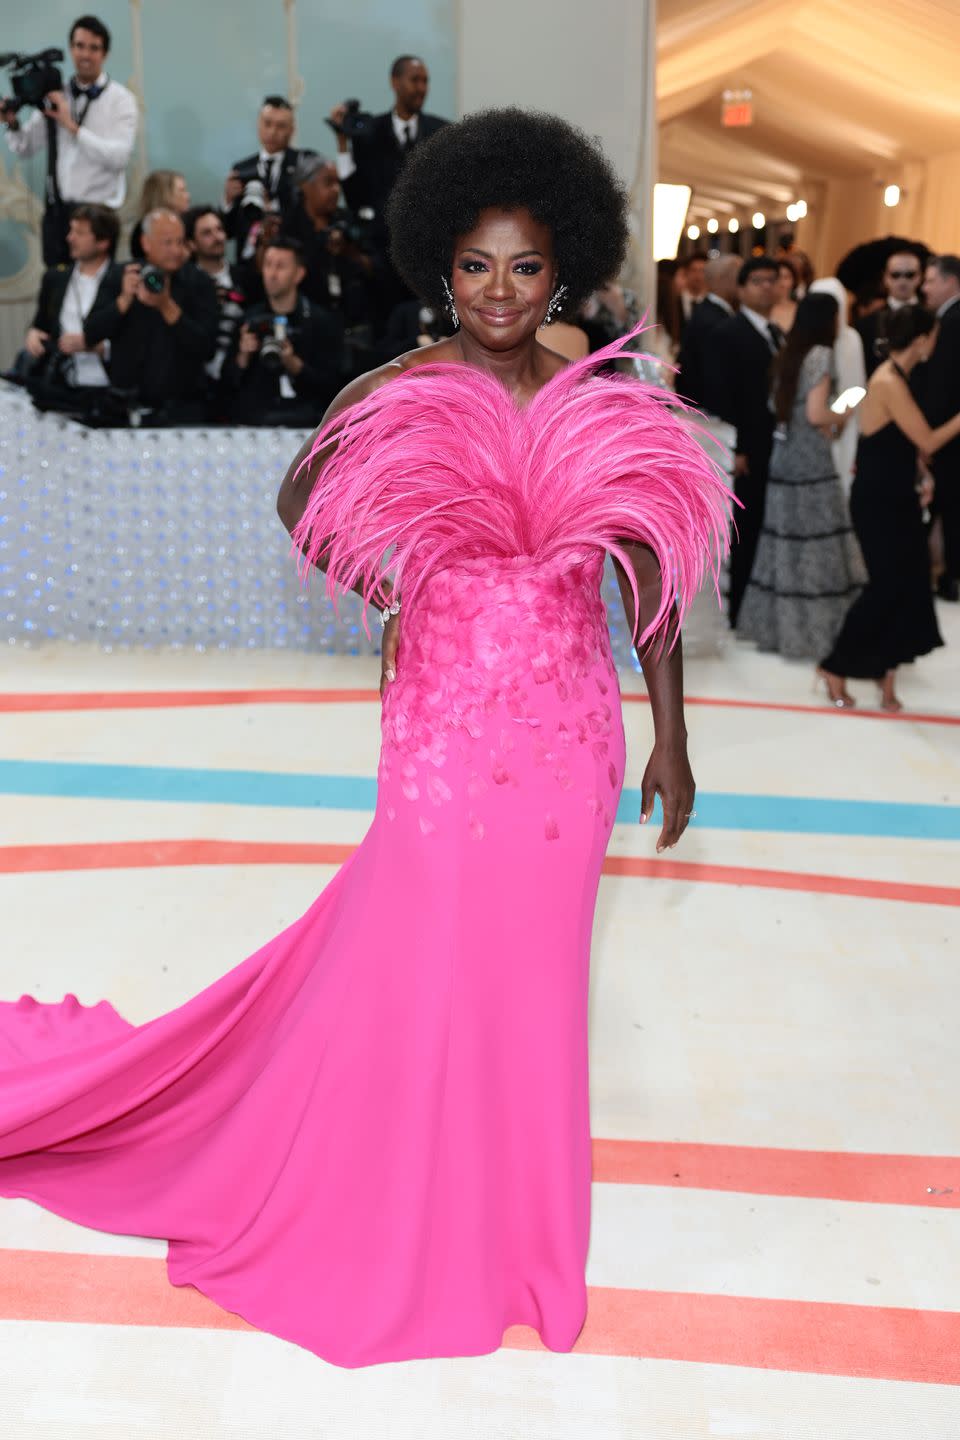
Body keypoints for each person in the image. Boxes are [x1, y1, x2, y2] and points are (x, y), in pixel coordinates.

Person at [0, 107, 730, 1370]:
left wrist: (669, 739)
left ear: (563, 276)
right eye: (476, 267)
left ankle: (525, 1240)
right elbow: (300, 502)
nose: (500, 291)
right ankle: (409, 1208)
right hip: (444, 735)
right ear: (440, 268)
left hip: (568, 742)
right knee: (429, 967)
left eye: (528, 269)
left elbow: (647, 573)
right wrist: (390, 575)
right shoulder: (399, 388)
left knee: (538, 990)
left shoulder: (595, 389)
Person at [819, 306, 960, 710]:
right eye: (933, 335)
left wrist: (921, 477)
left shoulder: (900, 377)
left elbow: (905, 445)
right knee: (885, 587)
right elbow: (929, 440)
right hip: (879, 502)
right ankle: (834, 665)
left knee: (911, 587)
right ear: (921, 339)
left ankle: (887, 682)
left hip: (898, 497)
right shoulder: (887, 382)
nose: (936, 342)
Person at [737, 292, 865, 661]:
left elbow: (780, 409)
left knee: (784, 542)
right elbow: (816, 414)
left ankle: (782, 630)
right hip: (811, 461)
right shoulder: (821, 355)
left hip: (784, 457)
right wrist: (847, 411)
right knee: (816, 544)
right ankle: (817, 633)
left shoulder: (787, 355)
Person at [1, 14, 137, 265]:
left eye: (93, 48)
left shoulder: (121, 99)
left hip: (99, 214)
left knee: (96, 292)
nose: (85, 55)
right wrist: (12, 123)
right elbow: (25, 148)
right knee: (56, 288)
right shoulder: (56, 93)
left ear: (104, 54)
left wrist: (72, 128)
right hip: (58, 213)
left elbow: (118, 158)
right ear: (71, 49)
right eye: (79, 46)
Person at [329, 56, 448, 330]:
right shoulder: (370, 132)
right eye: (414, 80)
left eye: (425, 81)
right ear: (395, 82)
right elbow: (355, 194)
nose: (421, 88)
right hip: (381, 260)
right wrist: (343, 144)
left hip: (429, 259)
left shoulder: (441, 132)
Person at [85, 207, 218, 422]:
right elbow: (91, 333)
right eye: (167, 242)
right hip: (124, 406)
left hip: (182, 408)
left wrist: (166, 306)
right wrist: (123, 301)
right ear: (146, 243)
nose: (176, 250)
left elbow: (206, 348)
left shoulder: (199, 282)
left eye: (180, 242)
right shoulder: (122, 276)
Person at [716, 255, 784, 626]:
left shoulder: (774, 332)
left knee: (760, 521)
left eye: (772, 280)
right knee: (743, 526)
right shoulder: (730, 332)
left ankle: (753, 605)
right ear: (741, 289)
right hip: (745, 445)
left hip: (770, 442)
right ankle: (738, 608)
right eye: (758, 280)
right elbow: (722, 393)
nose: (767, 286)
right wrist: (735, 448)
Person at [224, 236, 342, 425]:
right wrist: (242, 357)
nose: (271, 273)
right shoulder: (248, 320)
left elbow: (335, 386)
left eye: (280, 266)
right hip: (255, 423)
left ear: (299, 274)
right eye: (268, 264)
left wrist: (295, 365)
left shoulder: (321, 322)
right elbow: (226, 385)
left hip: (307, 424)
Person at [18, 202, 118, 389]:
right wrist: (33, 334)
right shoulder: (55, 277)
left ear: (103, 242)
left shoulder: (123, 281)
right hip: (58, 381)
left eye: (79, 233)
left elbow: (137, 341)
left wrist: (97, 347)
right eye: (71, 231)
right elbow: (40, 325)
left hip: (107, 385)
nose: (70, 238)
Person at [284, 152, 372, 326]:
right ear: (305, 186)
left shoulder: (347, 220)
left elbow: (374, 268)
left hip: (352, 319)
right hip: (305, 319)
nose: (336, 190)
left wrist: (349, 251)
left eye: (337, 183)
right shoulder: (289, 226)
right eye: (328, 183)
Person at [223, 96, 306, 261]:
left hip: (291, 258)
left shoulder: (303, 165)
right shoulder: (241, 169)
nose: (272, 132)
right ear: (258, 125)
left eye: (281, 126)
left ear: (292, 130)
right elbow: (229, 231)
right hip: (249, 264)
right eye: (267, 124)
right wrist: (228, 201)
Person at [920, 254, 960, 601]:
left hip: (949, 434)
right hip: (948, 432)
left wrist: (927, 437)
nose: (925, 287)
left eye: (931, 280)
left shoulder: (953, 320)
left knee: (948, 504)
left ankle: (948, 576)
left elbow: (943, 387)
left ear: (950, 281)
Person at [808, 276, 866, 496]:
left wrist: (839, 419)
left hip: (846, 423)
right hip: (811, 428)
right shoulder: (805, 342)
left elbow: (855, 385)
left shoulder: (851, 339)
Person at [184, 204, 246, 403]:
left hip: (237, 385)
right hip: (193, 387)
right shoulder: (185, 283)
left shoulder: (245, 279)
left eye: (219, 229)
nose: (217, 237)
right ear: (192, 244)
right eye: (207, 233)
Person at [676, 253, 739, 413]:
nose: (742, 283)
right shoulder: (713, 319)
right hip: (708, 412)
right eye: (739, 277)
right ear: (723, 280)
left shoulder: (711, 311)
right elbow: (713, 376)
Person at [856, 247, 922, 377]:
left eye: (910, 275)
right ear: (885, 278)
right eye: (895, 275)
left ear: (920, 277)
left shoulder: (934, 321)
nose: (902, 281)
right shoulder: (867, 325)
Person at [128, 169, 191, 260]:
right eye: (182, 190)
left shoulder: (188, 224)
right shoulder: (144, 229)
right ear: (165, 194)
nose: (188, 196)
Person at [770, 259, 798, 333]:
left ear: (793, 281)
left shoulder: (801, 309)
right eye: (778, 277)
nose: (781, 282)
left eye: (786, 277)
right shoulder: (763, 308)